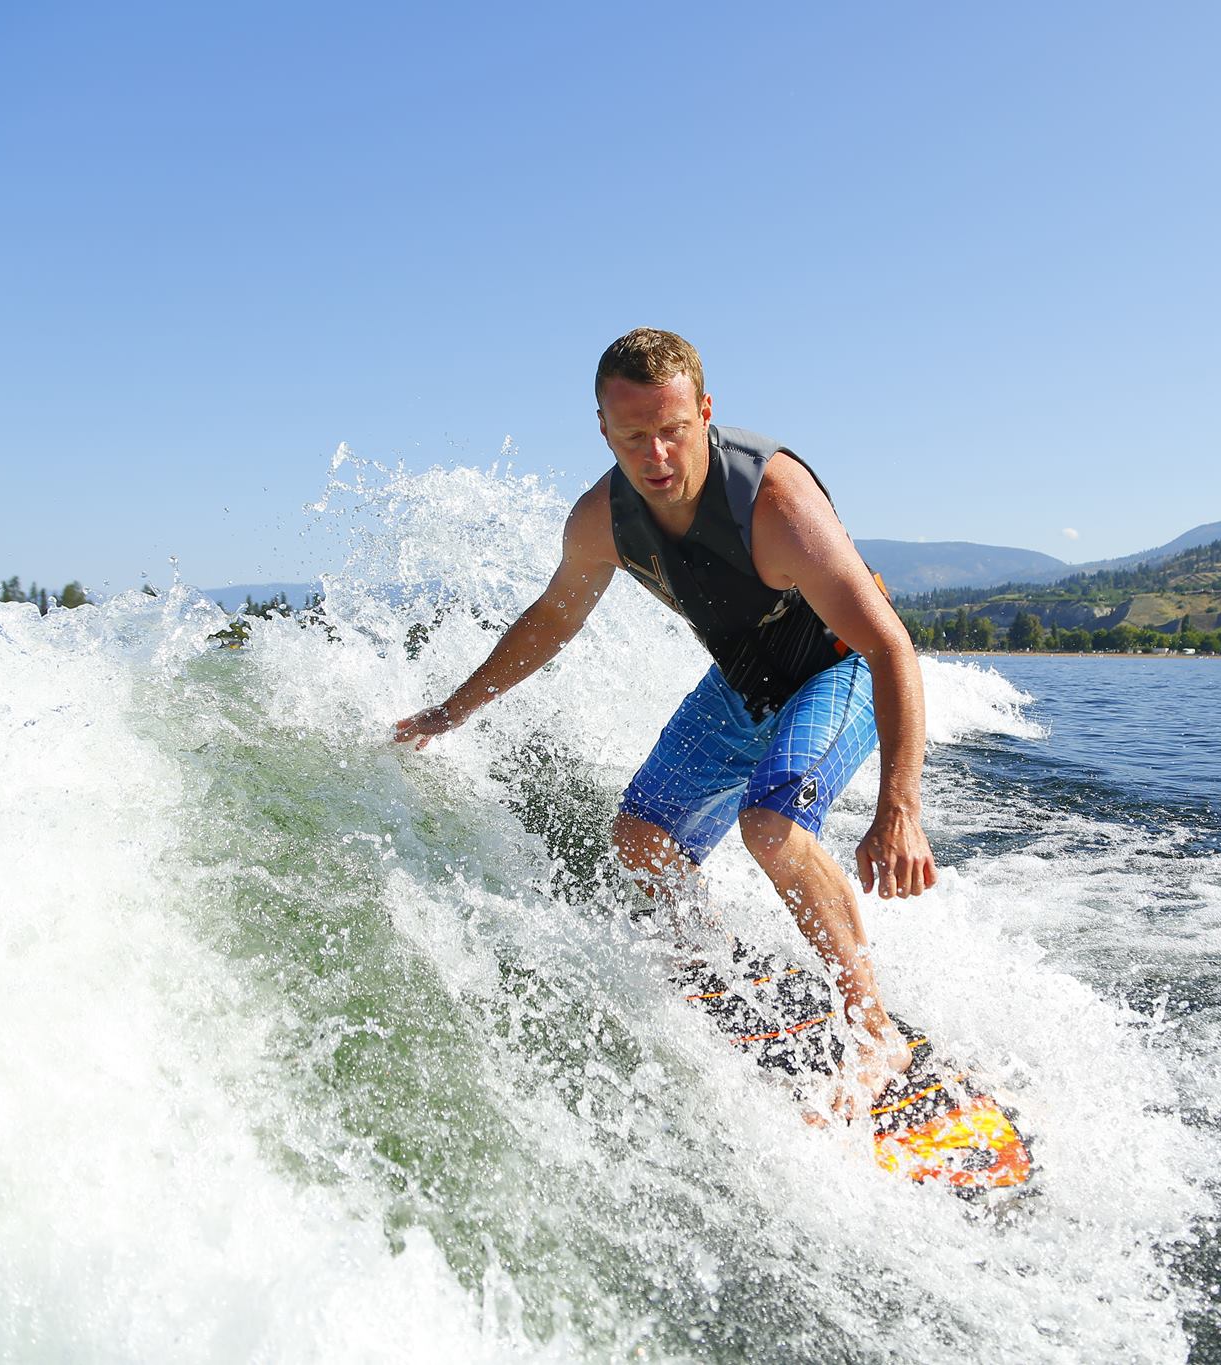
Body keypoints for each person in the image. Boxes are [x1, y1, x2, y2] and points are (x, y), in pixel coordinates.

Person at [393, 327, 937, 1115]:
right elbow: (551, 620)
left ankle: (874, 1032)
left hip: (840, 666)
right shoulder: (602, 520)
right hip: (743, 681)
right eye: (634, 435)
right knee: (640, 838)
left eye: (674, 430)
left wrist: (900, 808)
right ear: (604, 431)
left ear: (705, 412)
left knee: (770, 826)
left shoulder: (774, 503)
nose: (656, 455)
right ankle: (705, 961)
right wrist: (452, 710)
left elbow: (892, 645)